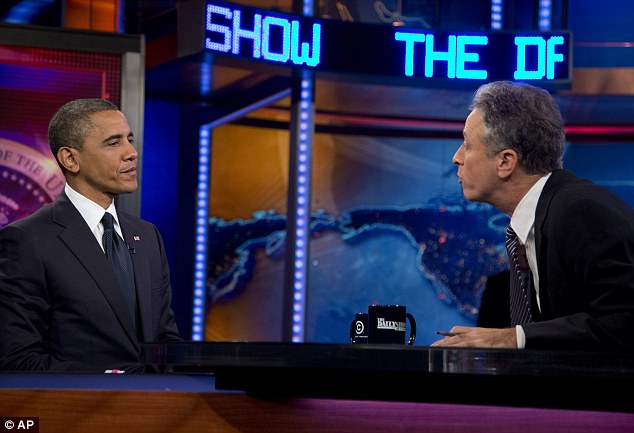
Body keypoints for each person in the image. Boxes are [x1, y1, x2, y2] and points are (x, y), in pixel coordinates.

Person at [432, 80, 634, 351]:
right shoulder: (543, 216)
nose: (457, 158)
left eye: (467, 145)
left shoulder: (579, 211)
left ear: (505, 162)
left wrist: (513, 338)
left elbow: (627, 321)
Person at [0, 98, 181, 372]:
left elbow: (165, 341)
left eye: (129, 139)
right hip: (77, 409)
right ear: (70, 159)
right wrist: (106, 381)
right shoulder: (28, 240)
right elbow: (18, 359)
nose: (131, 152)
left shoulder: (147, 236)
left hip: (153, 408)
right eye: (113, 142)